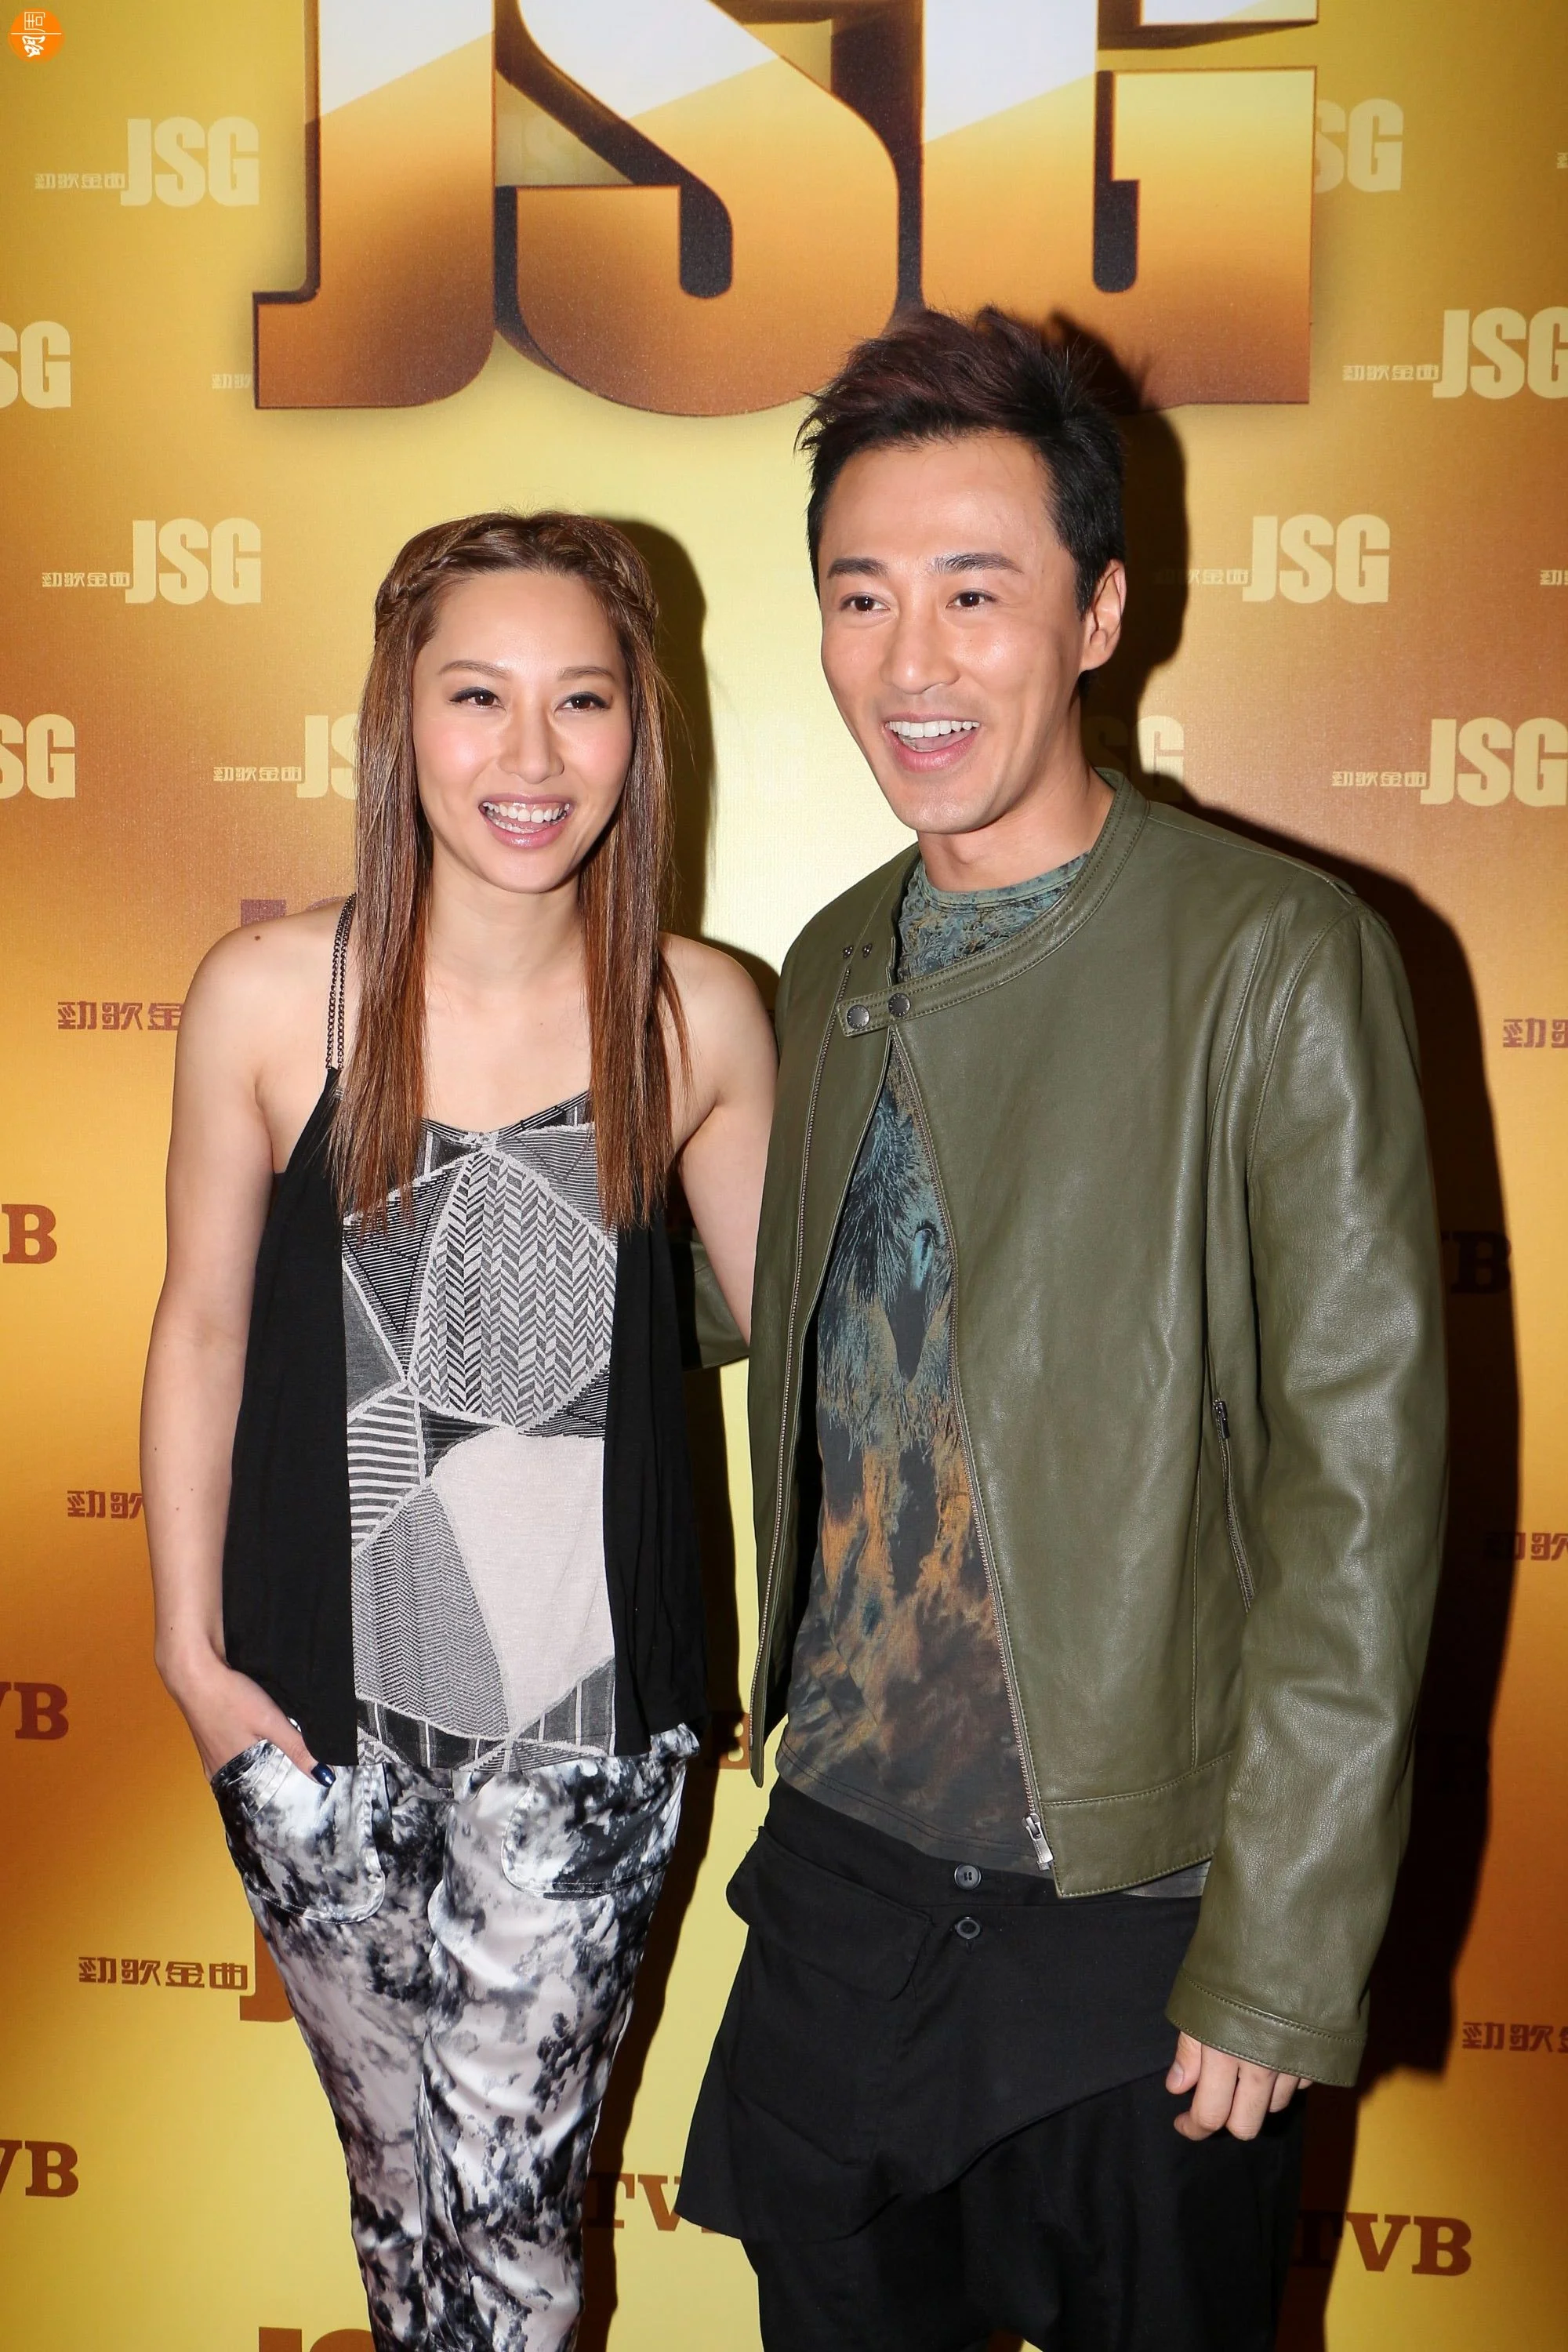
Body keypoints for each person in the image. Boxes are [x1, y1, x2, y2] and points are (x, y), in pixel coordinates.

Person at [678, 309, 1447, 2351]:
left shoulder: (1272, 955)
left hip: (1138, 1920)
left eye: (974, 589)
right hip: (842, 1894)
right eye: (861, 594)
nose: (909, 659)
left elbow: (1358, 1492)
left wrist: (1281, 1955)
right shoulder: (824, 966)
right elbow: (760, 1305)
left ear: (1098, 611)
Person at [141, 510, 775, 2350]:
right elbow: (199, 1327)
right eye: (477, 696)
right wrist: (191, 1655)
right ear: (397, 720)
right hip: (310, 1732)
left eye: (581, 700)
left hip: (581, 1749)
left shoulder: (695, 1016)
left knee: (508, 2231)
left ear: (638, 729)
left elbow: (816, 1354)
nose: (529, 754)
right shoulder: (273, 998)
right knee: (405, 2200)